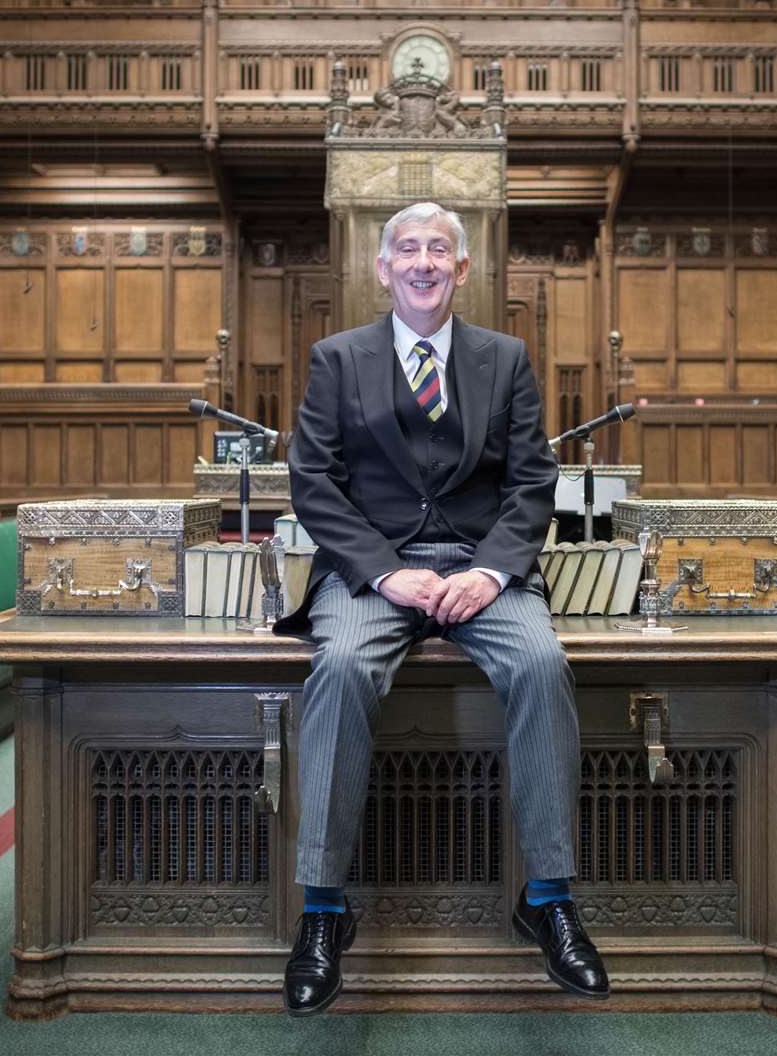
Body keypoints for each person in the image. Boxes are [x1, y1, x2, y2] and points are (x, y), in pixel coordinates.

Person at [273, 201, 607, 1015]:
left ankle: (550, 897)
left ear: (462, 269)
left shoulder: (507, 358)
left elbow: (533, 482)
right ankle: (322, 910)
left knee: (540, 662)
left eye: (440, 251)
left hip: (480, 569)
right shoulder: (337, 358)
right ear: (383, 268)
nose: (423, 262)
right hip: (374, 575)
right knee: (344, 666)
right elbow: (313, 483)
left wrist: (492, 574)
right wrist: (387, 574)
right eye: (408, 250)